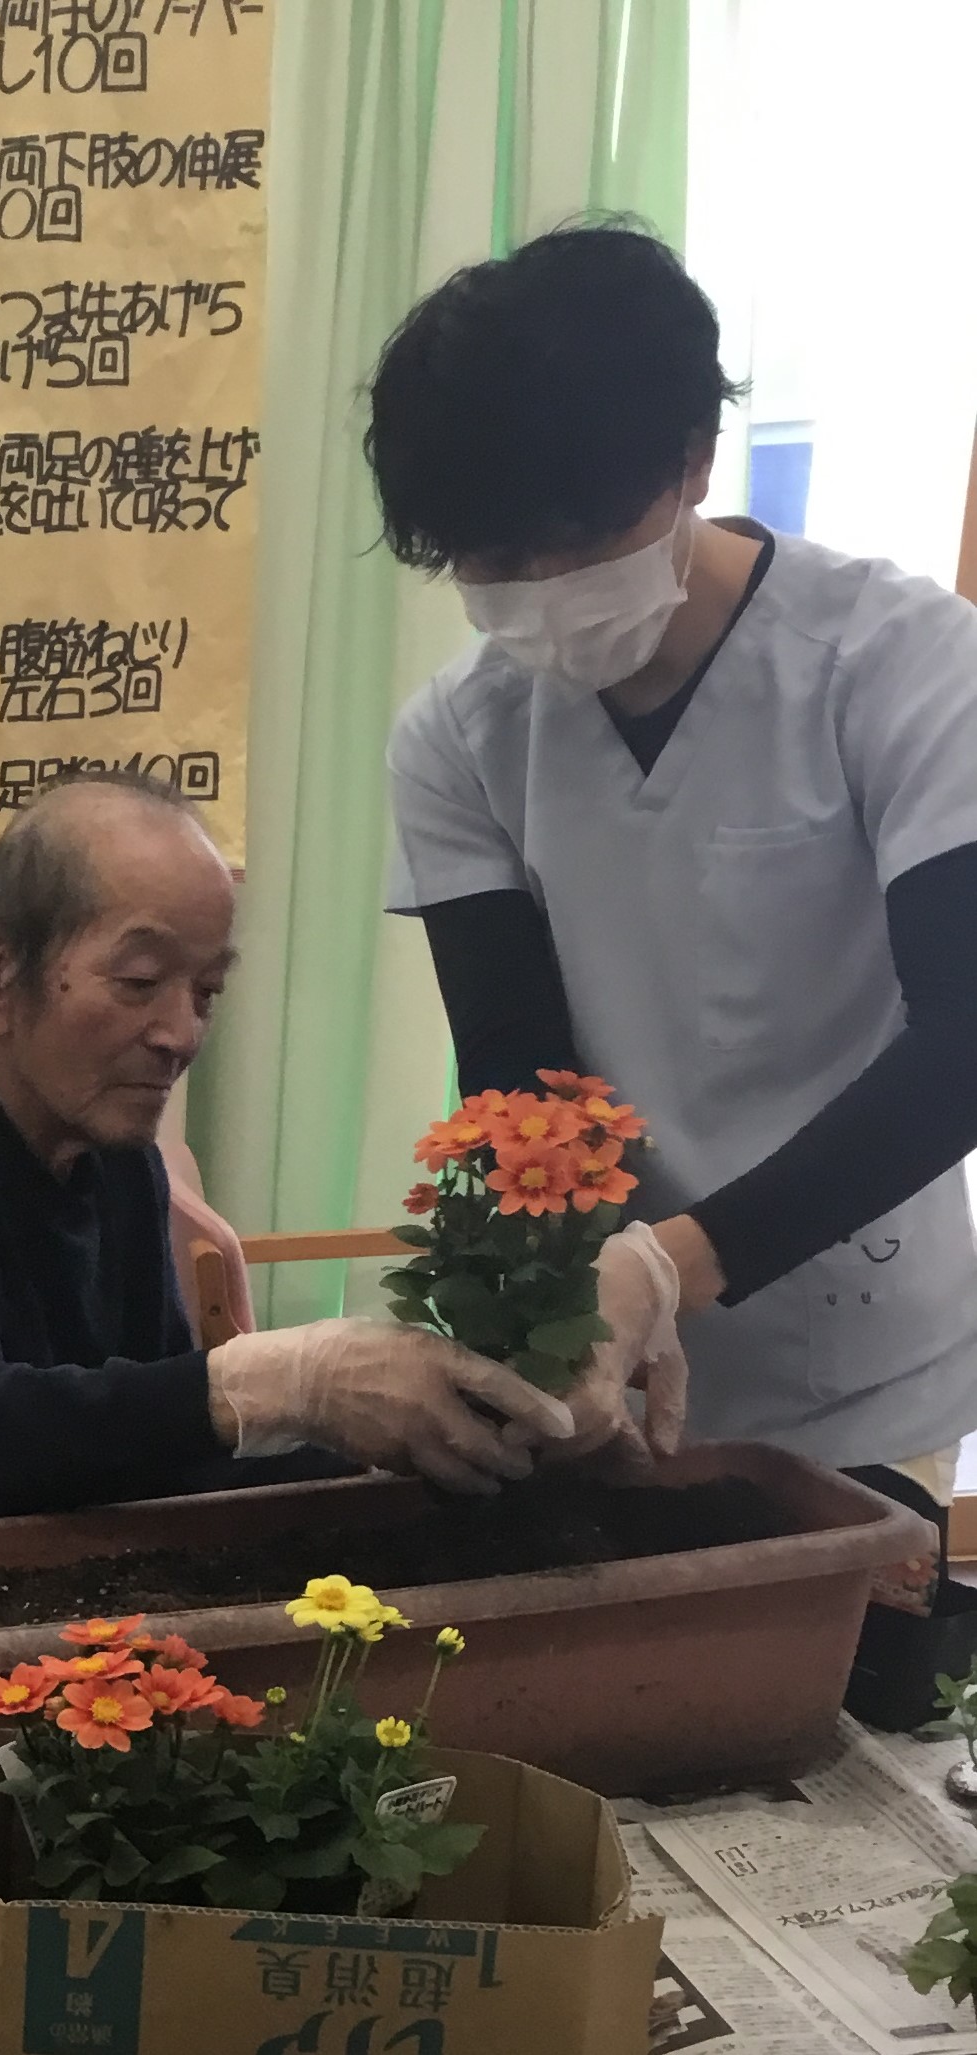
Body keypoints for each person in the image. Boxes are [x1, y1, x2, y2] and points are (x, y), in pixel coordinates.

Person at [363, 221, 977, 1560]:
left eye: (574, 542)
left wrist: (665, 1264)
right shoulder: (459, 737)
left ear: (693, 462)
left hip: (857, 1355)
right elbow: (515, 1087)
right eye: (489, 561)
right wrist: (540, 1322)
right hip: (607, 1363)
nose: (537, 593)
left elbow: (963, 1041)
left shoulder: (899, 664)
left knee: (850, 1657)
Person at [0, 771, 574, 1631]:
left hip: (51, 1622)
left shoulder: (111, 1154)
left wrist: (394, 1450)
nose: (180, 1033)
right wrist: (268, 1383)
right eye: (139, 980)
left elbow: (157, 1459)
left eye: (205, 991)